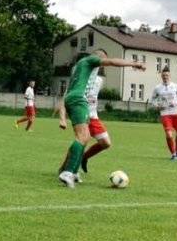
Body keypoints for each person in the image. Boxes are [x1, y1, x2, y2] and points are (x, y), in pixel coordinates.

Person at [58, 50, 145, 188]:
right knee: (82, 137)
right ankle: (67, 172)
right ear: (98, 57)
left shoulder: (81, 68)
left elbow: (68, 93)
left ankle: (72, 172)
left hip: (76, 100)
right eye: (103, 60)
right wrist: (134, 63)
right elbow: (112, 62)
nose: (103, 64)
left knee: (85, 137)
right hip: (79, 100)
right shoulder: (90, 60)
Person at [150, 67, 177, 161]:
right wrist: (157, 106)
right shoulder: (157, 88)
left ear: (170, 76)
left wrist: (176, 103)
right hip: (165, 114)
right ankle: (173, 154)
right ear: (161, 76)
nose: (165, 77)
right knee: (169, 135)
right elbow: (152, 100)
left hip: (176, 113)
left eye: (167, 75)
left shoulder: (175, 86)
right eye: (163, 75)